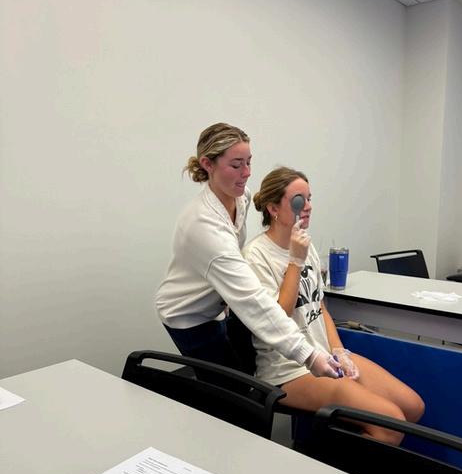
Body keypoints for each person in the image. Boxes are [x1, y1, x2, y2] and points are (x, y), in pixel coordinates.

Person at [243, 167, 425, 445]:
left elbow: (319, 307)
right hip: (287, 370)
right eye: (299, 200)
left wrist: (339, 351)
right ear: (273, 208)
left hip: (324, 356)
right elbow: (278, 318)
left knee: (412, 407)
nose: (308, 206)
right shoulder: (256, 255)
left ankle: (331, 451)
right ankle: (330, 468)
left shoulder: (305, 245)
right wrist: (295, 261)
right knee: (391, 425)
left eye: (310, 198)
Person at [155, 123, 341, 379]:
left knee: (244, 375)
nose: (247, 173)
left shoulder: (241, 198)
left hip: (220, 305)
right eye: (236, 165)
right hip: (188, 315)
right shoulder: (204, 228)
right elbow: (253, 299)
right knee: (229, 390)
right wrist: (309, 355)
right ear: (208, 164)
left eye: (249, 162)